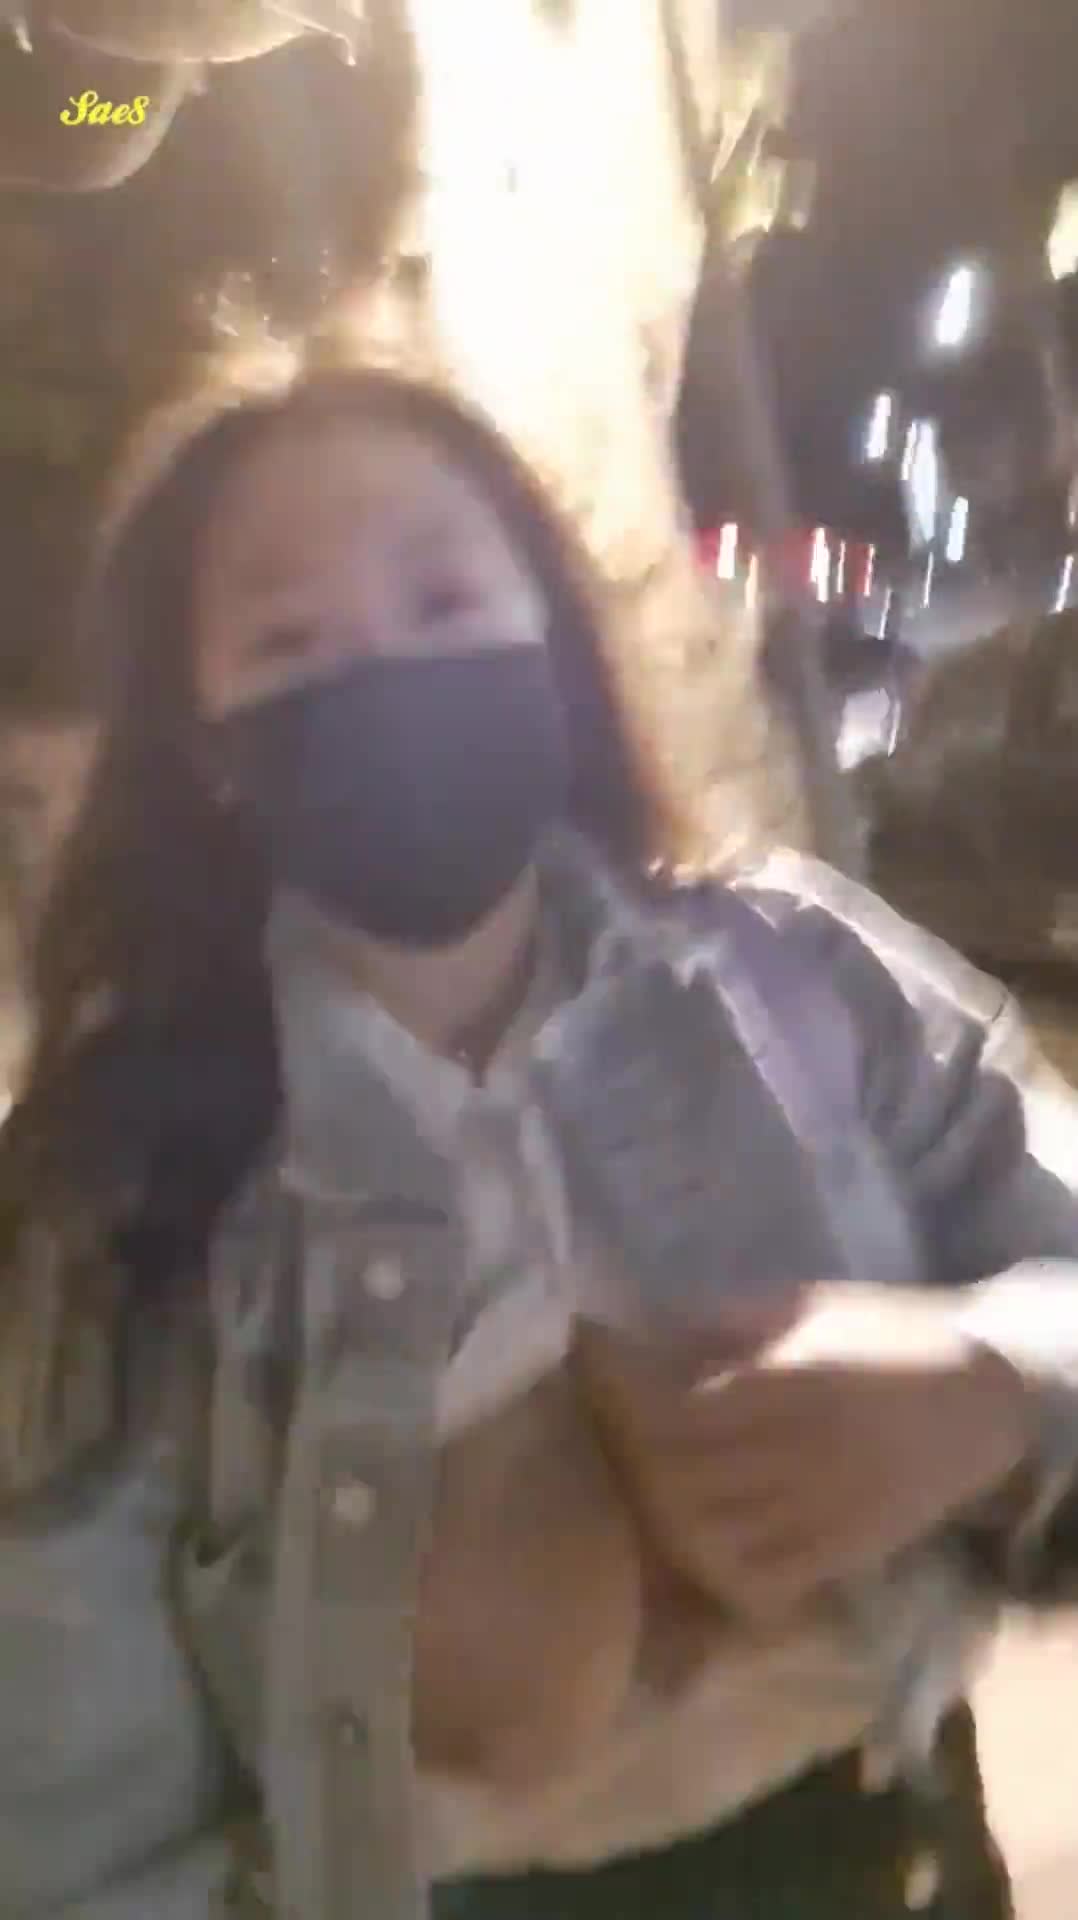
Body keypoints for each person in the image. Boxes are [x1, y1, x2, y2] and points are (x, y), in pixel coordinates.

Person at [3, 366, 1078, 1920]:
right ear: (205, 742)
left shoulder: (802, 975)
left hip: (895, 1852)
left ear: (550, 652)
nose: (386, 676)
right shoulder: (109, 1194)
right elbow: (65, 1809)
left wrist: (992, 1383)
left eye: (444, 598)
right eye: (290, 642)